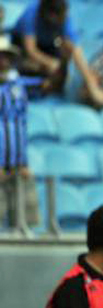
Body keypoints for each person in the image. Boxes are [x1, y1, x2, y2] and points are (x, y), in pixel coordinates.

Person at [11, 0, 103, 104]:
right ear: (49, 15)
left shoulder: (64, 17)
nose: (63, 21)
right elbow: (31, 50)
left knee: (64, 54)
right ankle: (35, 85)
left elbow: (76, 51)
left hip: (47, 44)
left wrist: (92, 87)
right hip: (21, 46)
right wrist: (50, 63)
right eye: (59, 19)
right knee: (38, 65)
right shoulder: (31, 14)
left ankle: (51, 85)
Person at [0, 35, 39, 233]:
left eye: (6, 56)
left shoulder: (18, 85)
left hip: (19, 164)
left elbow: (51, 84)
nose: (3, 60)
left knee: (24, 223)